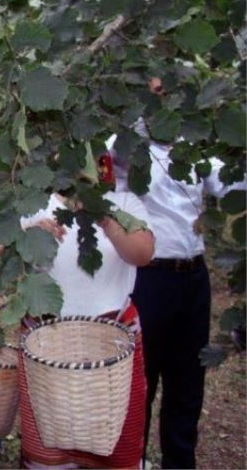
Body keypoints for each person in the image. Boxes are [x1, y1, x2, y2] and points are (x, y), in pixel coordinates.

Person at [108, 120, 246, 468]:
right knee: (141, 381)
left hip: (193, 278)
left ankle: (180, 461)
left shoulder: (192, 148)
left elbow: (227, 182)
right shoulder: (125, 146)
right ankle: (131, 461)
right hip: (149, 280)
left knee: (187, 381)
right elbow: (98, 171)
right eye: (157, 91)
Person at [16, 157, 155, 468]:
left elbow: (143, 253)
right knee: (48, 453)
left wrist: (106, 219)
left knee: (115, 446)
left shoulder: (123, 202)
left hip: (113, 345)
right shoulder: (33, 204)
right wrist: (28, 238)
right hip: (47, 345)